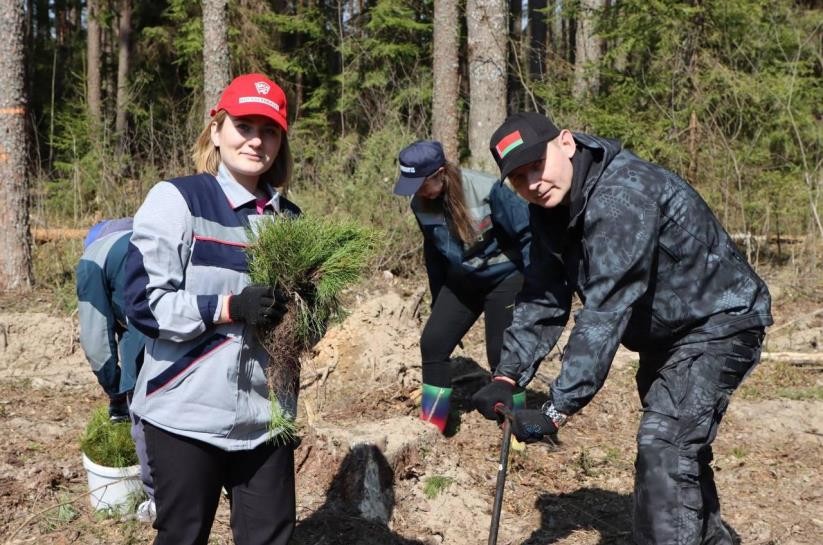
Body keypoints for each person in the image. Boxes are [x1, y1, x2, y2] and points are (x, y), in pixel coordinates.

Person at [471, 112, 772, 545]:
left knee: (665, 444)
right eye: (519, 178)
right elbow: (543, 294)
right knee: (675, 449)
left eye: (537, 165)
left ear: (566, 143)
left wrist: (555, 411)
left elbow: (605, 309)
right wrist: (508, 374)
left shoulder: (623, 195)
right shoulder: (551, 209)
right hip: (665, 334)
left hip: (721, 321)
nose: (533, 183)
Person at [124, 73, 300, 545]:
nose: (256, 141)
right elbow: (144, 304)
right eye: (244, 126)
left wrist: (306, 315)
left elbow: (301, 326)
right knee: (183, 536)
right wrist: (231, 306)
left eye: (269, 131)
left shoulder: (289, 220)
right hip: (185, 414)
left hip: (266, 419)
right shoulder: (178, 200)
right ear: (217, 130)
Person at [393, 140, 532, 433]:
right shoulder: (420, 204)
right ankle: (432, 428)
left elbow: (527, 233)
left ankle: (517, 429)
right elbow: (434, 254)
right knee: (433, 342)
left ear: (440, 173)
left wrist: (536, 287)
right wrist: (438, 301)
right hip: (463, 280)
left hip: (504, 277)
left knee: (502, 354)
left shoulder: (486, 189)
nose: (417, 192)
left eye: (421, 184)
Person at [76, 217, 156, 522]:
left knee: (145, 415)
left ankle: (158, 500)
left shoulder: (92, 259)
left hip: (150, 328)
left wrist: (117, 392)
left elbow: (95, 342)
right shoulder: (148, 232)